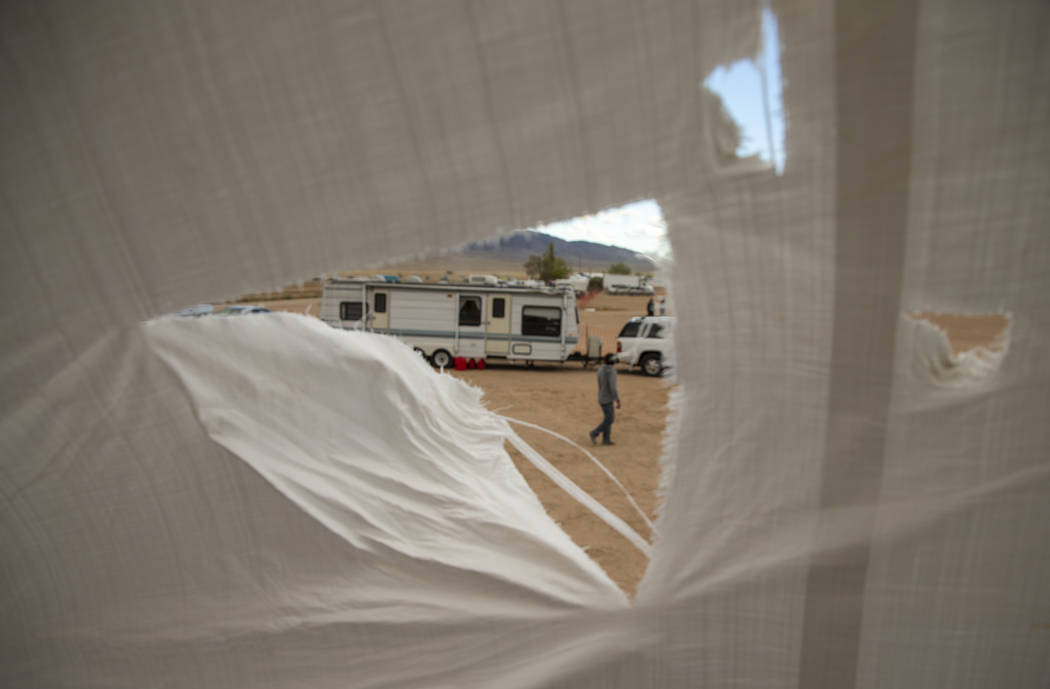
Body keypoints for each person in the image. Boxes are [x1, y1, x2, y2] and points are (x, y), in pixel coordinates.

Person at [589, 354, 621, 446]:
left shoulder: (600, 370)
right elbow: (613, 387)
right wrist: (617, 399)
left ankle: (606, 439)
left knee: (607, 417)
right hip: (607, 398)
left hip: (601, 396)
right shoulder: (611, 371)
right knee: (610, 419)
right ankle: (594, 433)